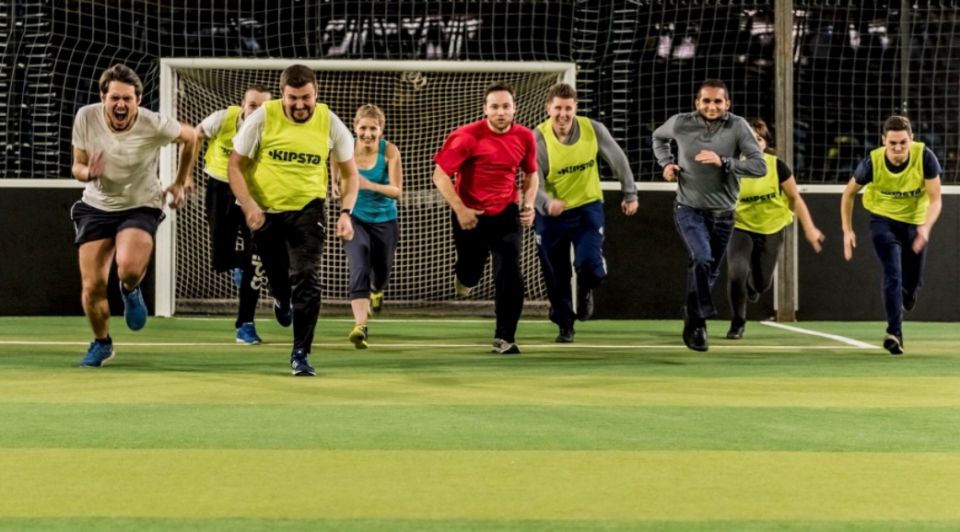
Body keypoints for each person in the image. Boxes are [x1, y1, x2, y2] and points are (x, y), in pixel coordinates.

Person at [227, 64, 359, 376]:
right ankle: (281, 300)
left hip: (308, 210)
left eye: (306, 98)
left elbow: (351, 173)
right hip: (265, 212)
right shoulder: (263, 118)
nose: (300, 105)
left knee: (307, 278)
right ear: (283, 94)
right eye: (292, 98)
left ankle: (300, 353)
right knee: (278, 281)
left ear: (316, 93)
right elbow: (235, 166)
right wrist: (249, 205)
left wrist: (346, 213)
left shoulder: (330, 123)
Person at [70, 64, 198, 367]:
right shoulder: (86, 117)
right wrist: (89, 172)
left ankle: (130, 289)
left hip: (141, 203)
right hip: (96, 206)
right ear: (103, 97)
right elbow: (77, 166)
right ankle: (102, 343)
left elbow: (191, 137)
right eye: (115, 97)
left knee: (126, 268)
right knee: (92, 286)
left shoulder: (153, 123)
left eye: (128, 98)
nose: (121, 104)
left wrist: (181, 181)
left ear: (137, 100)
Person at [652, 79, 766, 352]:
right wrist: (667, 164)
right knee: (701, 258)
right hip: (689, 208)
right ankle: (699, 322)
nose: (711, 106)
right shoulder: (680, 123)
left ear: (727, 104)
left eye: (718, 101)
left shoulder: (738, 126)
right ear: (697, 103)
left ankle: (691, 314)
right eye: (706, 101)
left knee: (710, 270)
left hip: (724, 214)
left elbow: (759, 165)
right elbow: (658, 137)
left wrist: (724, 162)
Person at [432, 81, 538, 355]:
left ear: (514, 109)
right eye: (495, 107)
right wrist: (461, 209)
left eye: (506, 106)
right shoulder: (466, 136)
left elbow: (531, 174)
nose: (500, 112)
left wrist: (529, 203)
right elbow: (440, 175)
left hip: (506, 214)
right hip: (470, 216)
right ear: (485, 109)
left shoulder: (525, 137)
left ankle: (505, 337)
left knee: (510, 272)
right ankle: (464, 278)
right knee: (471, 270)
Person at [532, 82, 638, 343]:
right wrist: (547, 204)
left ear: (575, 108)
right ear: (548, 108)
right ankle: (565, 324)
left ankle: (587, 286)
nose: (563, 114)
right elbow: (532, 183)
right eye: (558, 108)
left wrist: (630, 193)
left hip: (586, 208)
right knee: (555, 274)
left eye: (568, 108)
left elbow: (618, 159)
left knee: (590, 264)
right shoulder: (538, 139)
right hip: (550, 214)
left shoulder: (593, 129)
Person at [840, 115, 942, 355]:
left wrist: (926, 227)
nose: (898, 148)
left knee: (911, 285)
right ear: (883, 141)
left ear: (911, 139)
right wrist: (847, 230)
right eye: (892, 143)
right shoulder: (872, 162)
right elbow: (848, 194)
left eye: (903, 143)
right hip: (882, 221)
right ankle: (894, 333)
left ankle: (907, 296)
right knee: (892, 272)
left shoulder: (925, 157)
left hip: (914, 223)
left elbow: (936, 199)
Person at [725, 118, 825, 340]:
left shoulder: (776, 166)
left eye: (758, 139)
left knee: (761, 283)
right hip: (741, 227)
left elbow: (795, 198)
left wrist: (810, 229)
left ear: (765, 143)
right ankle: (737, 323)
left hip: (772, 228)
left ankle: (754, 285)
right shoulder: (731, 168)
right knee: (736, 273)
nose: (753, 143)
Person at [195, 84, 272, 345]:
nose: (257, 111)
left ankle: (245, 324)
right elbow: (196, 135)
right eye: (252, 105)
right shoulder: (222, 119)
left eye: (263, 107)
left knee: (256, 257)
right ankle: (240, 265)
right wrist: (182, 176)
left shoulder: (272, 130)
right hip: (220, 189)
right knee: (220, 258)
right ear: (242, 106)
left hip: (254, 193)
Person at [333, 104, 402, 349]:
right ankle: (360, 326)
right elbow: (335, 171)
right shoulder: (345, 149)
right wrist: (334, 185)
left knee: (381, 270)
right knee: (359, 264)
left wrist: (367, 185)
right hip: (355, 218)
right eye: (363, 127)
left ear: (381, 130)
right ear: (355, 127)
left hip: (385, 220)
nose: (368, 133)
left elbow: (396, 191)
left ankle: (377, 289)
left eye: (373, 128)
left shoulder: (390, 152)